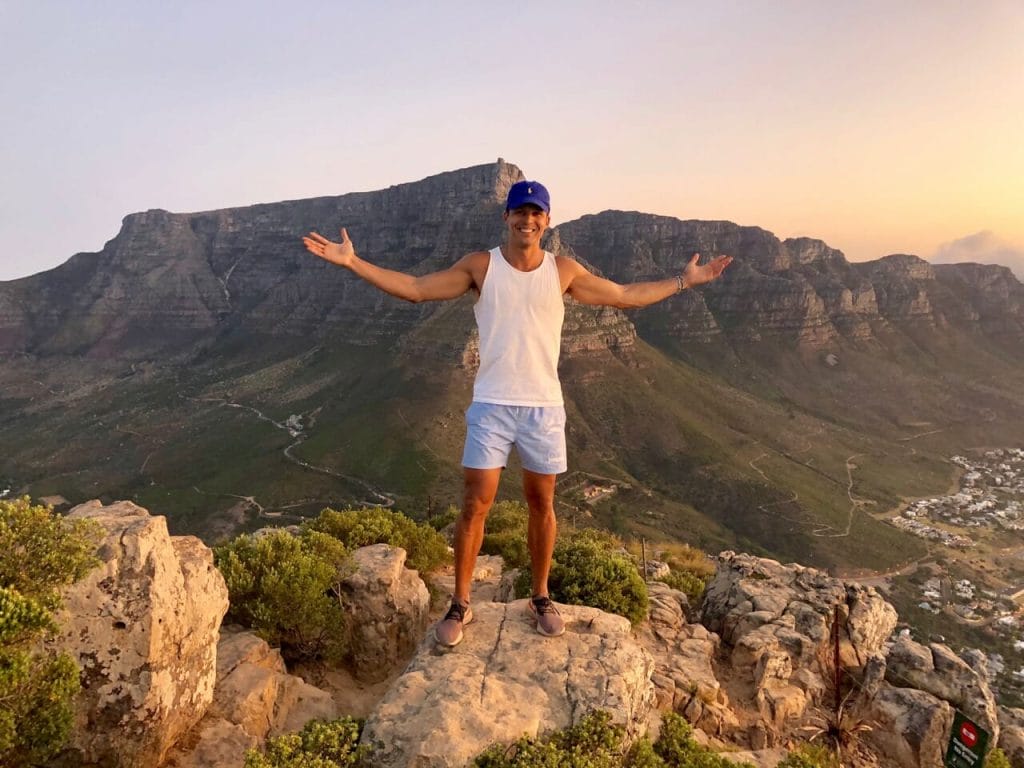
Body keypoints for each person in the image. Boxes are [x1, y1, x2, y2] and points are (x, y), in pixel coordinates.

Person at [302, 180, 732, 646]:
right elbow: (416, 289)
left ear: (546, 221)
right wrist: (353, 262)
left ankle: (541, 596)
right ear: (506, 217)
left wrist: (686, 281)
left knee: (542, 504)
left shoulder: (562, 270)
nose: (528, 220)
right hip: (491, 405)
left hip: (544, 407)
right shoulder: (480, 267)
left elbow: (624, 295)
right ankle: (461, 604)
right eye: (519, 212)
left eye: (536, 213)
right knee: (475, 503)